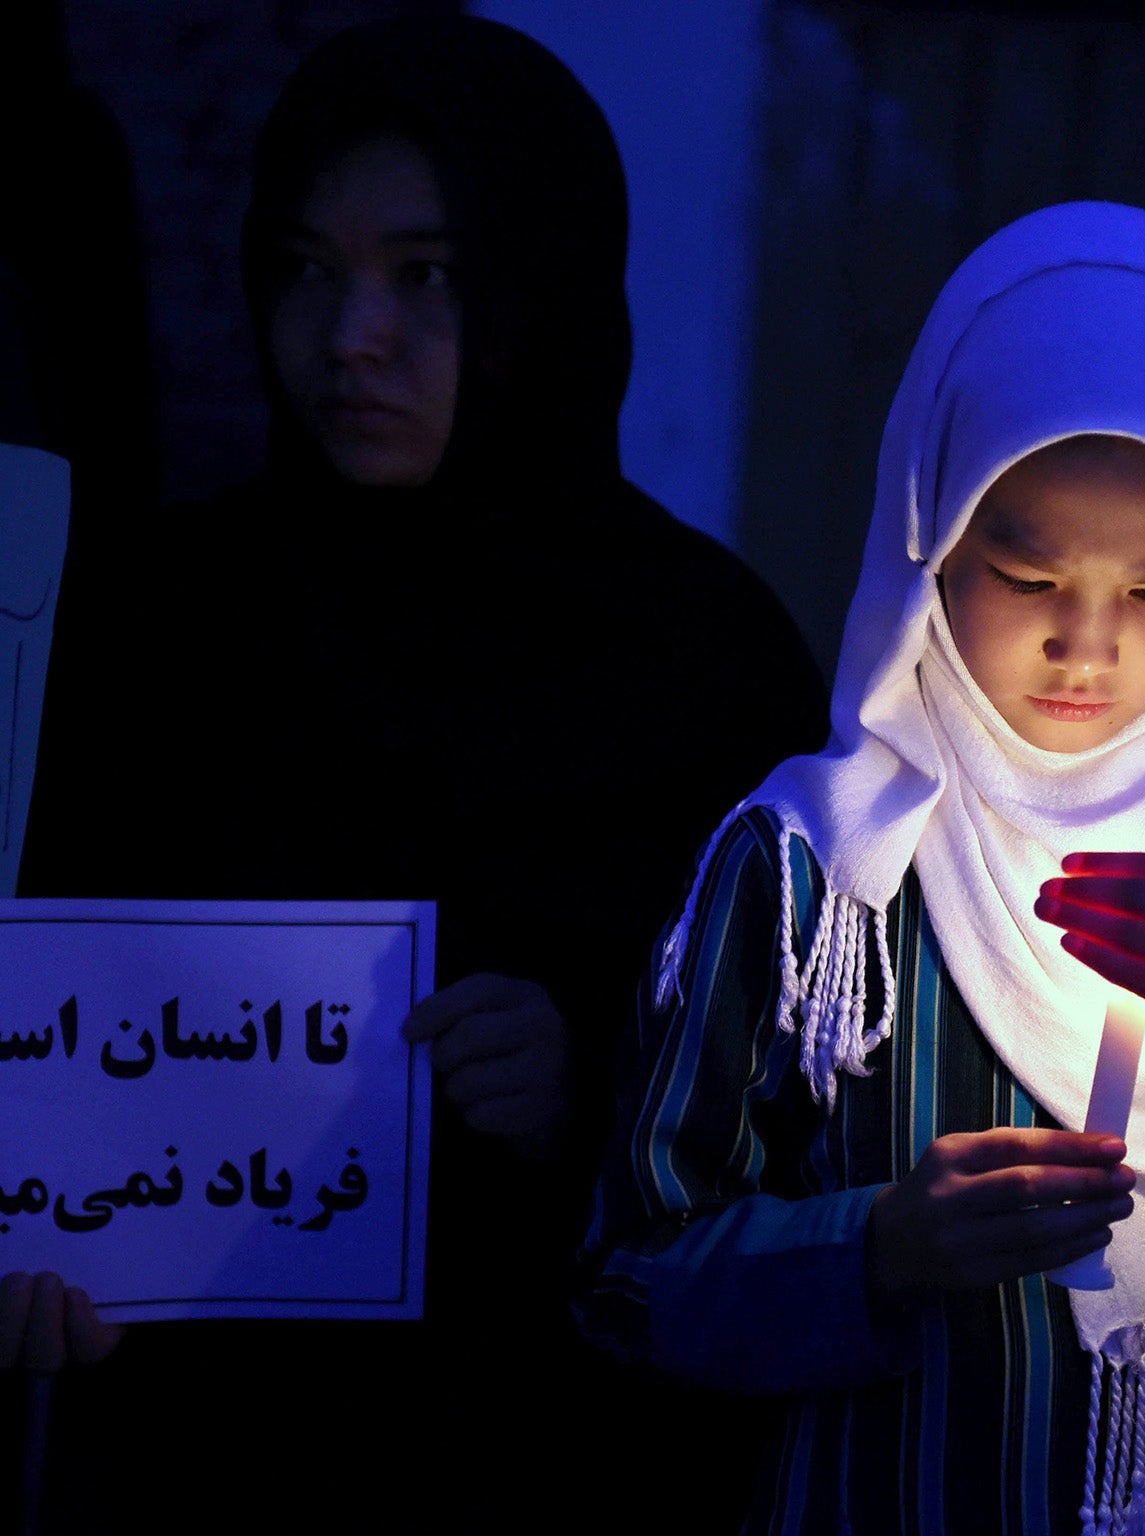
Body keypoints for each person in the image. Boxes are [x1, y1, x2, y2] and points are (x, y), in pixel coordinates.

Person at [6, 18, 825, 1532]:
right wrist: (34, 1246)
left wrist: (593, 1076)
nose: (350, 337)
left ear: (545, 290)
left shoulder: (701, 662)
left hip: (557, 1464)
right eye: (307, 268)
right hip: (198, 1471)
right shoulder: (151, 629)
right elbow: (55, 1029)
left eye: (425, 276)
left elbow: (803, 1113)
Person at [576, 202, 1145, 1535]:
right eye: (1024, 574)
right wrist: (879, 1251)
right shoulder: (819, 881)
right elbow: (628, 1284)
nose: (1086, 648)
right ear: (929, 535)